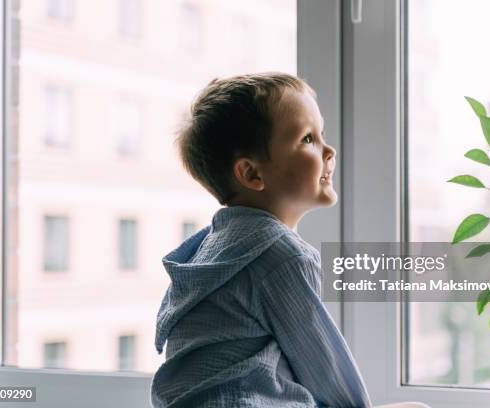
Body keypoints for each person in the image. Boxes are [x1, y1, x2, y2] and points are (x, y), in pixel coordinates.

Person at [150, 72, 372, 407]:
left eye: (321, 134)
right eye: (308, 139)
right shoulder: (280, 255)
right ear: (252, 174)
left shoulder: (209, 248)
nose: (329, 150)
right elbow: (326, 368)